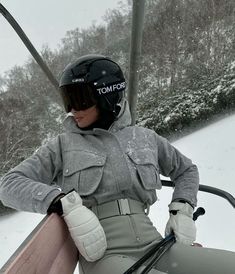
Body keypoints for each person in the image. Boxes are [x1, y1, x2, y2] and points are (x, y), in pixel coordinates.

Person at [0, 54, 234, 274]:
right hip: (104, 255)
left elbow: (186, 170)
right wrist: (63, 203)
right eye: (68, 101)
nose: (72, 110)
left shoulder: (143, 137)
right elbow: (9, 185)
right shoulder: (62, 146)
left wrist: (182, 207)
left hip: (155, 245)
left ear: (106, 97)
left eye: (80, 100)